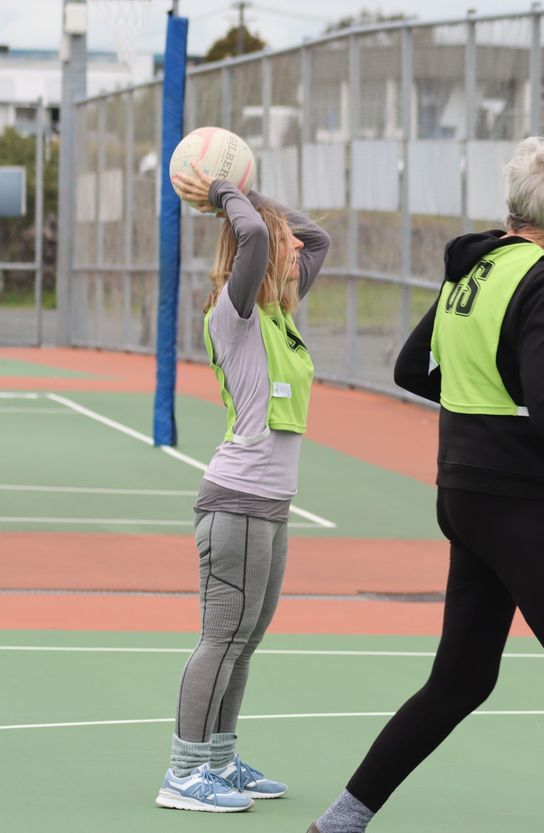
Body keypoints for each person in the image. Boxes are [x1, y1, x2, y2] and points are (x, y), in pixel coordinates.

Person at [307, 137, 544, 833]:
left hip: (465, 490)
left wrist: (486, 401)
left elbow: (411, 368)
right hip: (512, 500)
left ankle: (337, 821)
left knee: (462, 679)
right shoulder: (543, 281)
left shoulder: (471, 272)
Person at [155, 162, 330, 812]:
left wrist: (253, 194)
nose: (292, 251)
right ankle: (183, 771)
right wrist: (223, 192)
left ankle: (218, 759)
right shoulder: (234, 313)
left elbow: (319, 241)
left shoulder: (281, 315)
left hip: (269, 509)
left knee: (246, 637)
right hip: (235, 504)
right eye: (280, 243)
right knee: (221, 635)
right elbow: (254, 241)